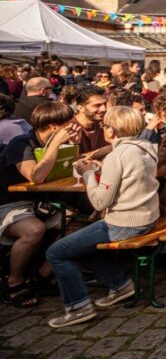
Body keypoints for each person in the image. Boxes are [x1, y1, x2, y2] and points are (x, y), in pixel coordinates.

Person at [46, 107, 159, 328]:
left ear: (112, 130)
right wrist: (100, 168)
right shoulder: (146, 147)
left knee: (56, 252)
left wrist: (87, 174)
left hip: (124, 223)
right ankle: (120, 284)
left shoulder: (117, 155)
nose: (103, 128)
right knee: (81, 245)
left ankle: (78, 306)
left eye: (105, 125)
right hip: (146, 217)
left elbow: (99, 202)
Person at [0, 102, 75, 308]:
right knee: (34, 230)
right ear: (53, 126)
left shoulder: (54, 143)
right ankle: (13, 280)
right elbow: (36, 176)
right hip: (9, 205)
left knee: (75, 222)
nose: (73, 127)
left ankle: (43, 273)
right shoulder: (22, 143)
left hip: (39, 203)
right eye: (69, 124)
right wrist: (55, 146)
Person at [67, 85, 108, 157]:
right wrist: (102, 152)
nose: (104, 109)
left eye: (105, 104)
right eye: (97, 105)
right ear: (81, 108)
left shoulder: (105, 124)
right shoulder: (69, 128)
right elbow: (68, 160)